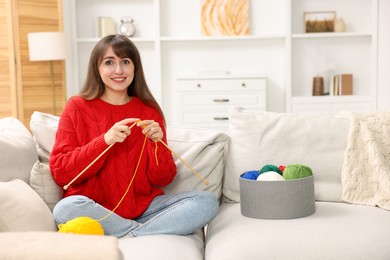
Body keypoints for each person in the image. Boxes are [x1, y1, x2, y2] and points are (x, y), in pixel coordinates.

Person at [49, 34, 218, 238]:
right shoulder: (77, 107)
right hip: (95, 210)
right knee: (65, 209)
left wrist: (156, 145)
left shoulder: (149, 112)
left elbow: (163, 178)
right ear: (97, 68)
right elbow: (61, 172)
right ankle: (139, 233)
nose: (119, 70)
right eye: (109, 62)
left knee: (205, 202)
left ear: (134, 68)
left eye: (125, 62)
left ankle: (128, 233)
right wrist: (105, 141)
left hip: (144, 209)